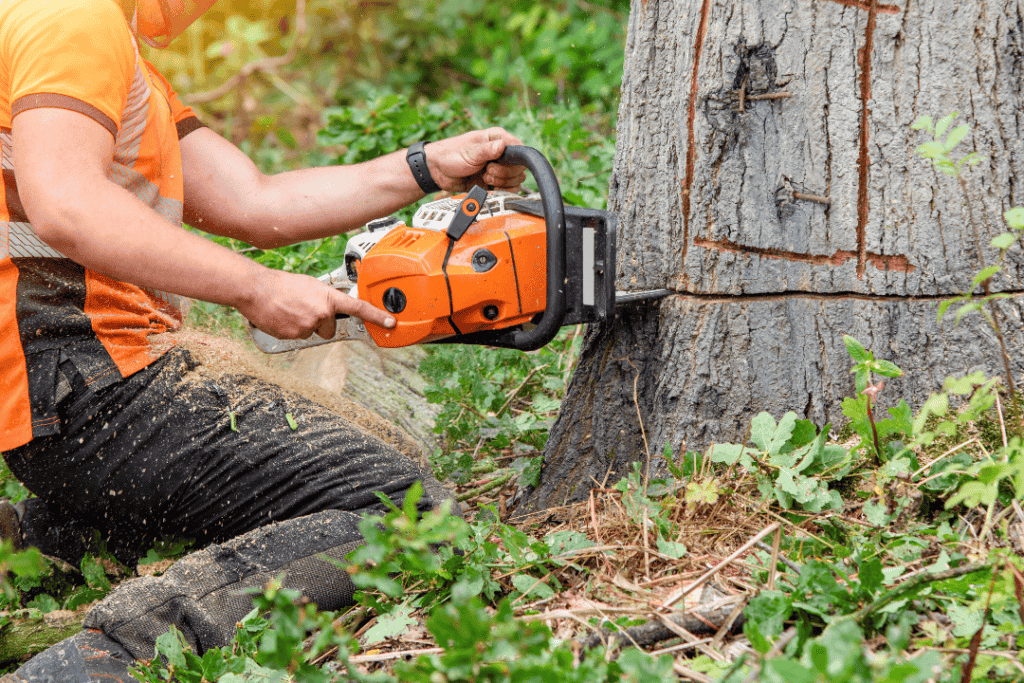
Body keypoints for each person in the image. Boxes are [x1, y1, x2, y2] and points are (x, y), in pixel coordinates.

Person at [0, 0, 525, 678]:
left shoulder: (110, 52)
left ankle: (41, 540)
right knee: (404, 509)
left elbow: (255, 201)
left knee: (241, 497)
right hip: (89, 385)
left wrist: (426, 167)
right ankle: (106, 657)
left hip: (62, 392)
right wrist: (255, 289)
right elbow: (65, 202)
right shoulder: (72, 19)